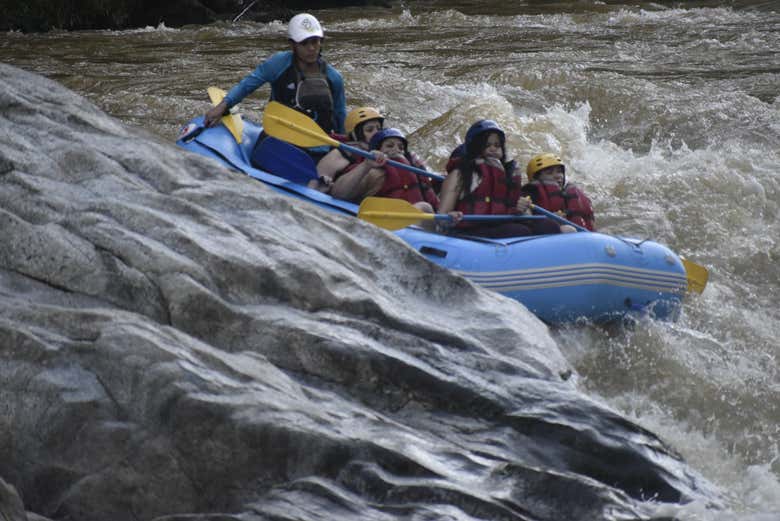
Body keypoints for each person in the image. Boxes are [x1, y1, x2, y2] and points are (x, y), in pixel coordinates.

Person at [204, 13, 346, 160]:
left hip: (319, 148)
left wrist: (344, 148)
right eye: (304, 43)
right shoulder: (278, 64)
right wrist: (223, 105)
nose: (311, 48)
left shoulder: (333, 77)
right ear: (292, 45)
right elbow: (247, 85)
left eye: (315, 42)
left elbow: (340, 115)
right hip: (281, 140)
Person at [437, 120, 566, 238]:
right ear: (475, 148)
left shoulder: (506, 177)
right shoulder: (459, 174)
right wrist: (450, 217)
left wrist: (519, 208)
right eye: (487, 145)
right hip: (468, 231)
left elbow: (512, 211)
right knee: (519, 231)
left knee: (548, 226)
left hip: (499, 226)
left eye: (497, 145)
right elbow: (442, 215)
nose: (493, 148)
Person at [330, 128, 439, 213]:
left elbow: (434, 204)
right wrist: (366, 165)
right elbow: (338, 194)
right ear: (378, 150)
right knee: (424, 207)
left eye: (401, 147)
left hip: (415, 223)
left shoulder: (417, 175)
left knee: (426, 207)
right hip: (384, 221)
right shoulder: (372, 172)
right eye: (389, 146)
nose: (396, 149)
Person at [310, 106, 385, 191]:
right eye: (369, 130)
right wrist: (323, 182)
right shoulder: (349, 150)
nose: (377, 133)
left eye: (379, 129)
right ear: (356, 134)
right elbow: (317, 181)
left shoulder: (386, 148)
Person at [521, 153, 596, 231]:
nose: (558, 176)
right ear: (535, 178)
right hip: (545, 232)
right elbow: (527, 219)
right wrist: (550, 219)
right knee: (568, 230)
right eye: (549, 173)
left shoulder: (571, 194)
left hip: (581, 234)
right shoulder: (530, 192)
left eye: (559, 171)